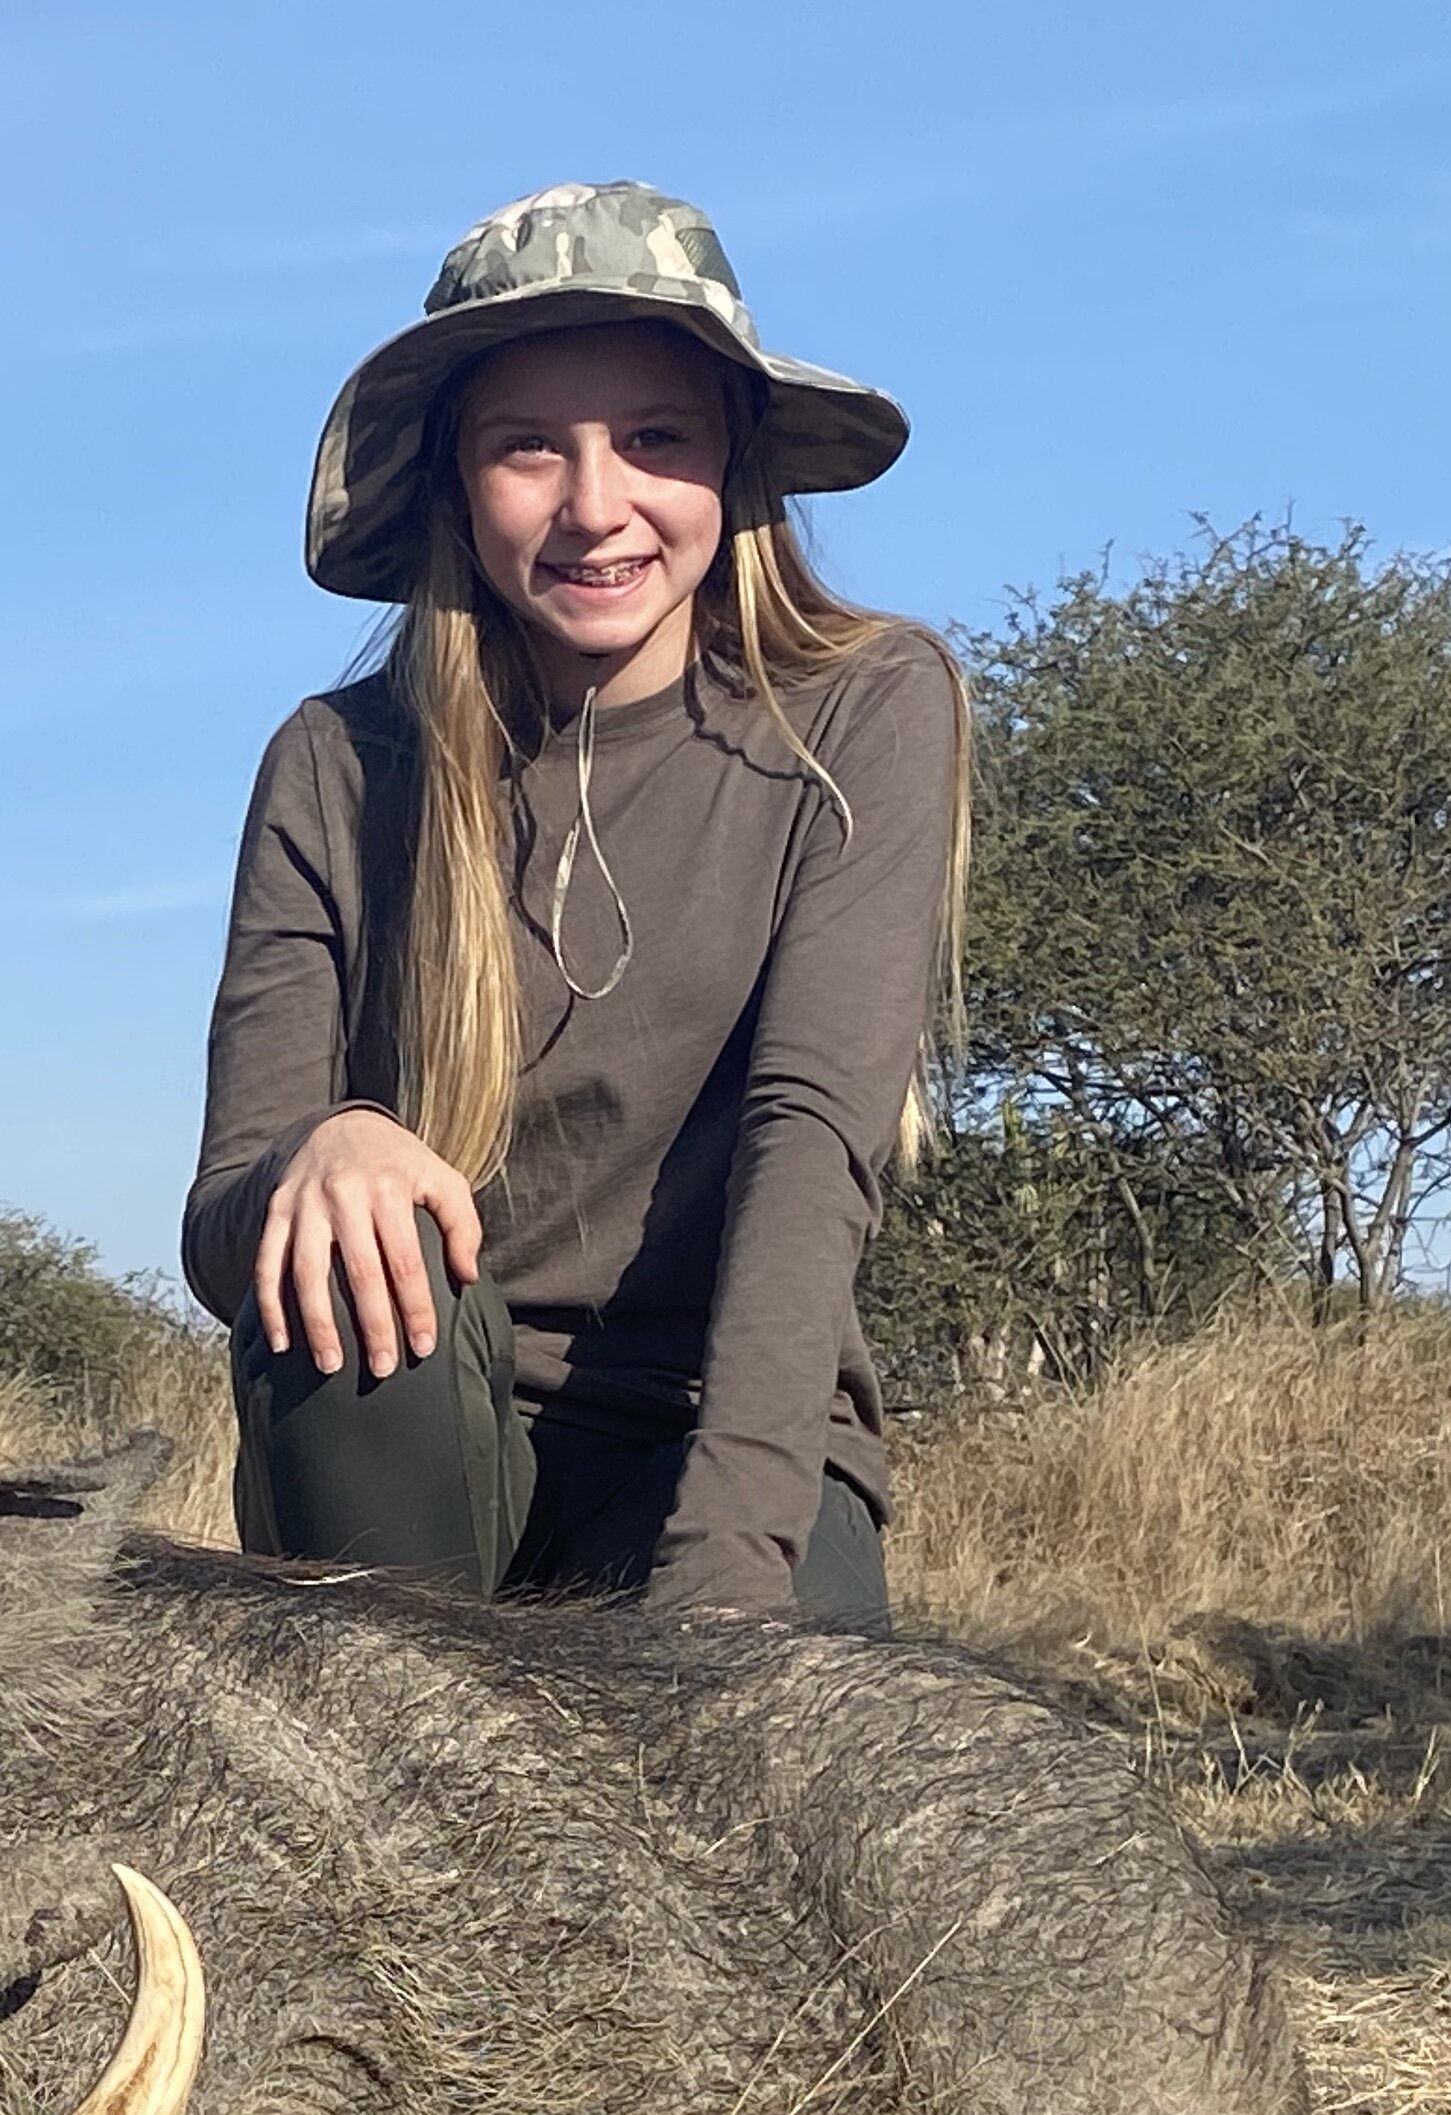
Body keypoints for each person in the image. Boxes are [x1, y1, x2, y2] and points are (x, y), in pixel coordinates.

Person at [184, 180, 962, 1633]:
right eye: (528, 447)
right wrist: (320, 1144)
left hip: (717, 1445)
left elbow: (811, 1146)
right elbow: (223, 1223)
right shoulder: (333, 762)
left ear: (735, 466)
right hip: (410, 1455)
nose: (595, 506)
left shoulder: (868, 707)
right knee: (366, 1230)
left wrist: (719, 1605)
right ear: (453, 484)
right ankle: (382, 1749)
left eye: (654, 439)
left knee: (786, 1818)